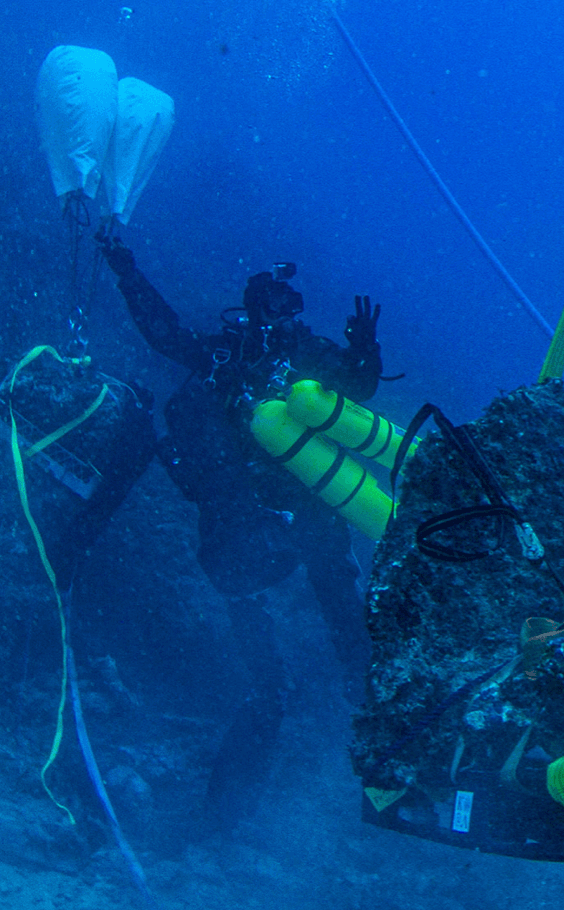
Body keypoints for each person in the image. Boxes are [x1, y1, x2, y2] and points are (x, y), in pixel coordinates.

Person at [95, 236, 385, 829]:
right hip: (241, 529)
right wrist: (128, 272)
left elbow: (356, 392)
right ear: (253, 307)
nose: (284, 313)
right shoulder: (225, 356)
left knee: (353, 636)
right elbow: (165, 333)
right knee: (268, 686)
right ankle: (224, 816)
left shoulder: (310, 354)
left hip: (307, 518)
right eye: (272, 302)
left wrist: (366, 351)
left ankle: (387, 742)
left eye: (291, 302)